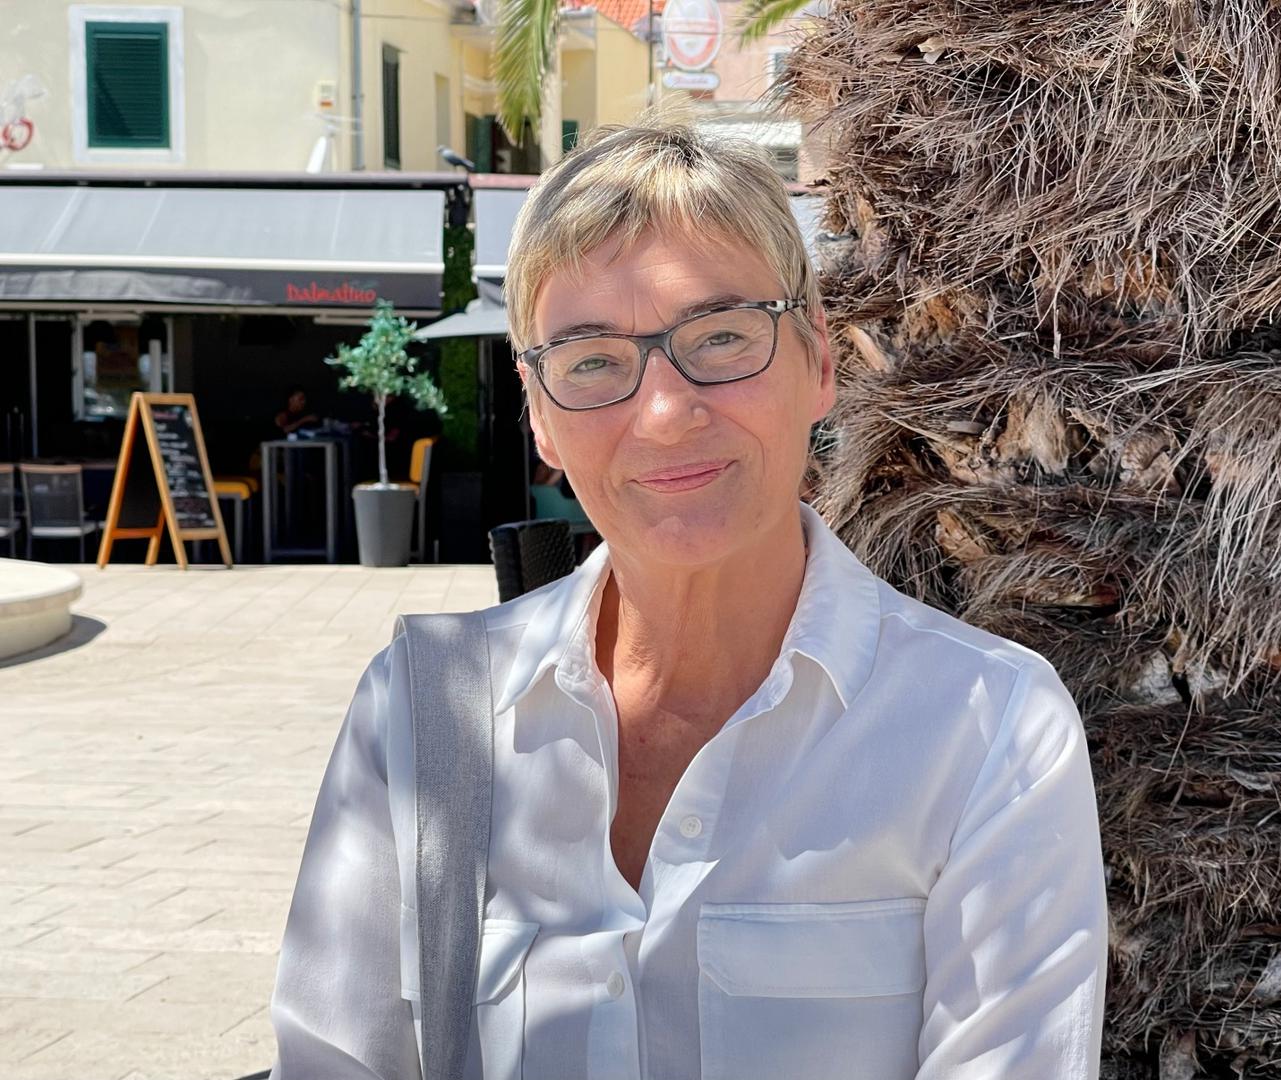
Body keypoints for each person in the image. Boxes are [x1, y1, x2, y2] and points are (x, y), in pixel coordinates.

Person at [268, 117, 1108, 1079]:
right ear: (540, 415)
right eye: (591, 361)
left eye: (720, 338)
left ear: (819, 362)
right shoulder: (423, 713)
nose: (666, 413)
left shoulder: (985, 729)